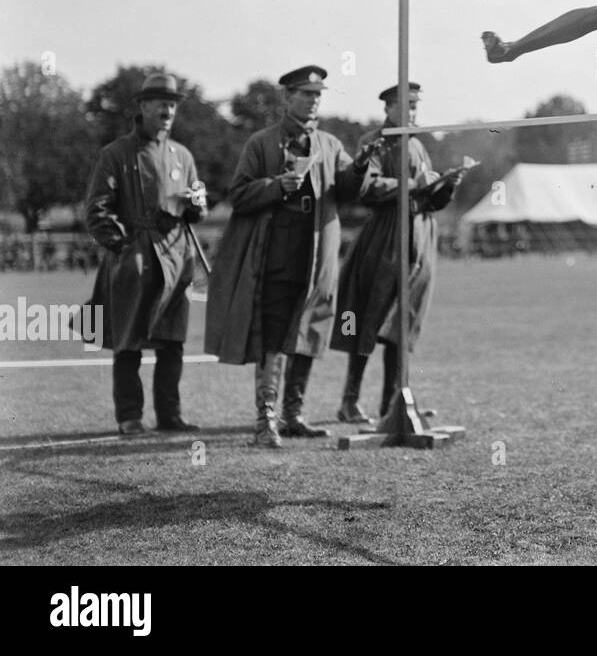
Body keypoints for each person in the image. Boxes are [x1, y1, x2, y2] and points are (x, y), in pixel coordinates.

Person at [205, 66, 366, 447]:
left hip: (317, 253)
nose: (313, 100)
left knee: (309, 329)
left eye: (317, 94)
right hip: (276, 249)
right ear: (287, 98)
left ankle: (294, 415)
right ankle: (266, 421)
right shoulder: (261, 143)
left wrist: (360, 167)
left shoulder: (329, 144)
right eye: (306, 94)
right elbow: (239, 194)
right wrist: (276, 186)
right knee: (273, 335)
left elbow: (348, 190)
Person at [332, 83, 464, 425]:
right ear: (389, 108)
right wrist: (411, 185)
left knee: (402, 324)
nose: (412, 114)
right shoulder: (373, 142)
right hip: (385, 237)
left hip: (420, 237)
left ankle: (392, 403)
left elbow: (428, 198)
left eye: (416, 107)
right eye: (406, 106)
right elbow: (366, 187)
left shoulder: (418, 145)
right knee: (367, 318)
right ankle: (349, 400)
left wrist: (445, 186)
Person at [83, 72, 206, 435]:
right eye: (161, 102)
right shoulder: (116, 153)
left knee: (173, 341)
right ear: (143, 106)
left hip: (176, 255)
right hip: (135, 258)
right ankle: (130, 417)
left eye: (173, 103)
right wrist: (123, 247)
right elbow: (96, 210)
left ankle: (170, 415)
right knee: (129, 341)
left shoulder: (182, 154)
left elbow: (196, 211)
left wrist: (197, 202)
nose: (168, 109)